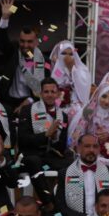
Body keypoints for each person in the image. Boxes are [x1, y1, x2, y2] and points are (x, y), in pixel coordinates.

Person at [16, 77, 73, 205]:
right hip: (30, 155)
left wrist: (54, 138)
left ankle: (66, 202)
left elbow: (61, 147)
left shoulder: (63, 116)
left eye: (53, 92)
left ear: (58, 94)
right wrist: (45, 135)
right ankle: (49, 204)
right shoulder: (27, 110)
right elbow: (22, 140)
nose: (49, 95)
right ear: (41, 94)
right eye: (46, 92)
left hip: (49, 157)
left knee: (72, 163)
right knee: (34, 161)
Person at [53, 134, 109, 216]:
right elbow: (60, 204)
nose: (91, 150)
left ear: (99, 149)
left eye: (95, 146)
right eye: (87, 146)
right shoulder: (65, 173)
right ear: (78, 149)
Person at [48, 40, 92, 122]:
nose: (67, 57)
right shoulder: (57, 70)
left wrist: (72, 70)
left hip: (78, 107)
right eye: (64, 53)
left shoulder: (81, 69)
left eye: (71, 54)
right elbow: (56, 83)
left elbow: (83, 90)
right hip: (60, 105)